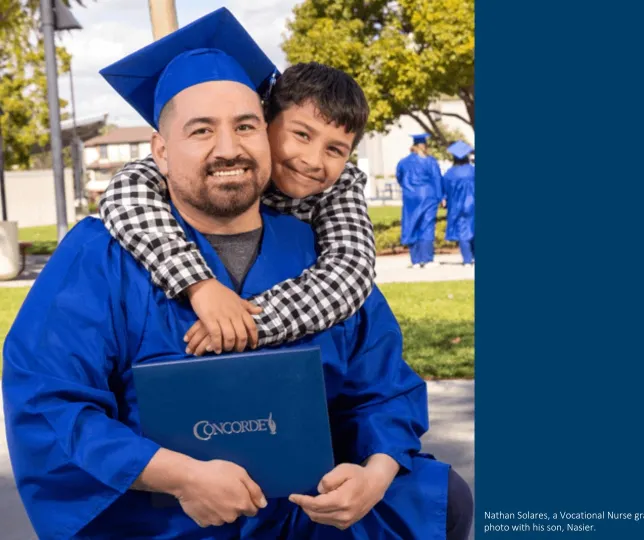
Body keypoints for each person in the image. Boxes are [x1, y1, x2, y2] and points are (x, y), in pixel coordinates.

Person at [1, 8, 472, 539]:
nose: (228, 148)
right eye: (201, 130)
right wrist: (181, 477)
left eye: (245, 125)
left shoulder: (321, 249)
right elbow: (50, 400)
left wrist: (374, 473)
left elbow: (384, 387)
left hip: (306, 513)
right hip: (163, 517)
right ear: (160, 150)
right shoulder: (99, 255)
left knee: (438, 497)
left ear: (264, 133)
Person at [98, 54, 378, 356]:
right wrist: (198, 284)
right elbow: (125, 192)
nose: (312, 160)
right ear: (265, 122)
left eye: (335, 150)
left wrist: (247, 323)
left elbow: (351, 269)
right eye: (300, 135)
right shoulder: (106, 251)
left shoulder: (339, 187)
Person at [396, 133, 443, 268]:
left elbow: (399, 177)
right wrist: (441, 197)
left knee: (412, 224)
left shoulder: (403, 162)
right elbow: (437, 179)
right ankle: (427, 259)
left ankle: (415, 260)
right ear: (425, 146)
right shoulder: (430, 161)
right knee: (426, 226)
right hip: (428, 196)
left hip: (410, 197)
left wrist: (408, 189)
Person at [441, 141, 476, 265]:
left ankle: (467, 259)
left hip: (457, 206)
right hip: (474, 204)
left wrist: (444, 199)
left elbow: (444, 191)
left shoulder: (449, 174)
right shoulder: (473, 171)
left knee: (463, 232)